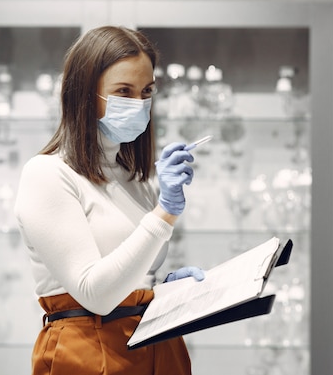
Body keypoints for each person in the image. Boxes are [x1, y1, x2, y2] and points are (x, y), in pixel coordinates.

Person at [14, 25, 205, 375]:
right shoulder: (47, 174)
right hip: (89, 354)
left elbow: (129, 279)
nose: (139, 105)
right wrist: (165, 213)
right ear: (83, 94)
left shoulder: (134, 178)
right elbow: (96, 294)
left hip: (157, 348)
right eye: (123, 92)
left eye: (146, 91)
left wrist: (160, 294)